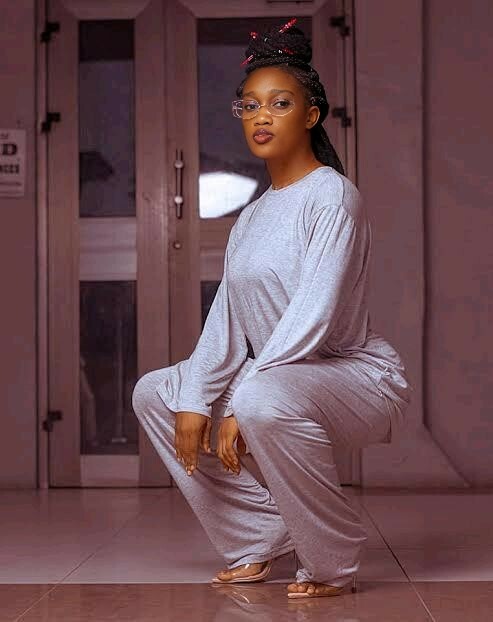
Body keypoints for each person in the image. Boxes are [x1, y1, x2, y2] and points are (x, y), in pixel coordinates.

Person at [132, 18, 412, 599]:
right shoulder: (254, 215)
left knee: (258, 397)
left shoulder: (332, 196)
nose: (262, 116)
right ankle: (259, 535)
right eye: (250, 106)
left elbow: (315, 314)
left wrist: (239, 400)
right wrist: (195, 399)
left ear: (310, 115)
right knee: (157, 392)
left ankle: (330, 561)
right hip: (279, 377)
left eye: (279, 103)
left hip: (355, 378)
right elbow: (227, 319)